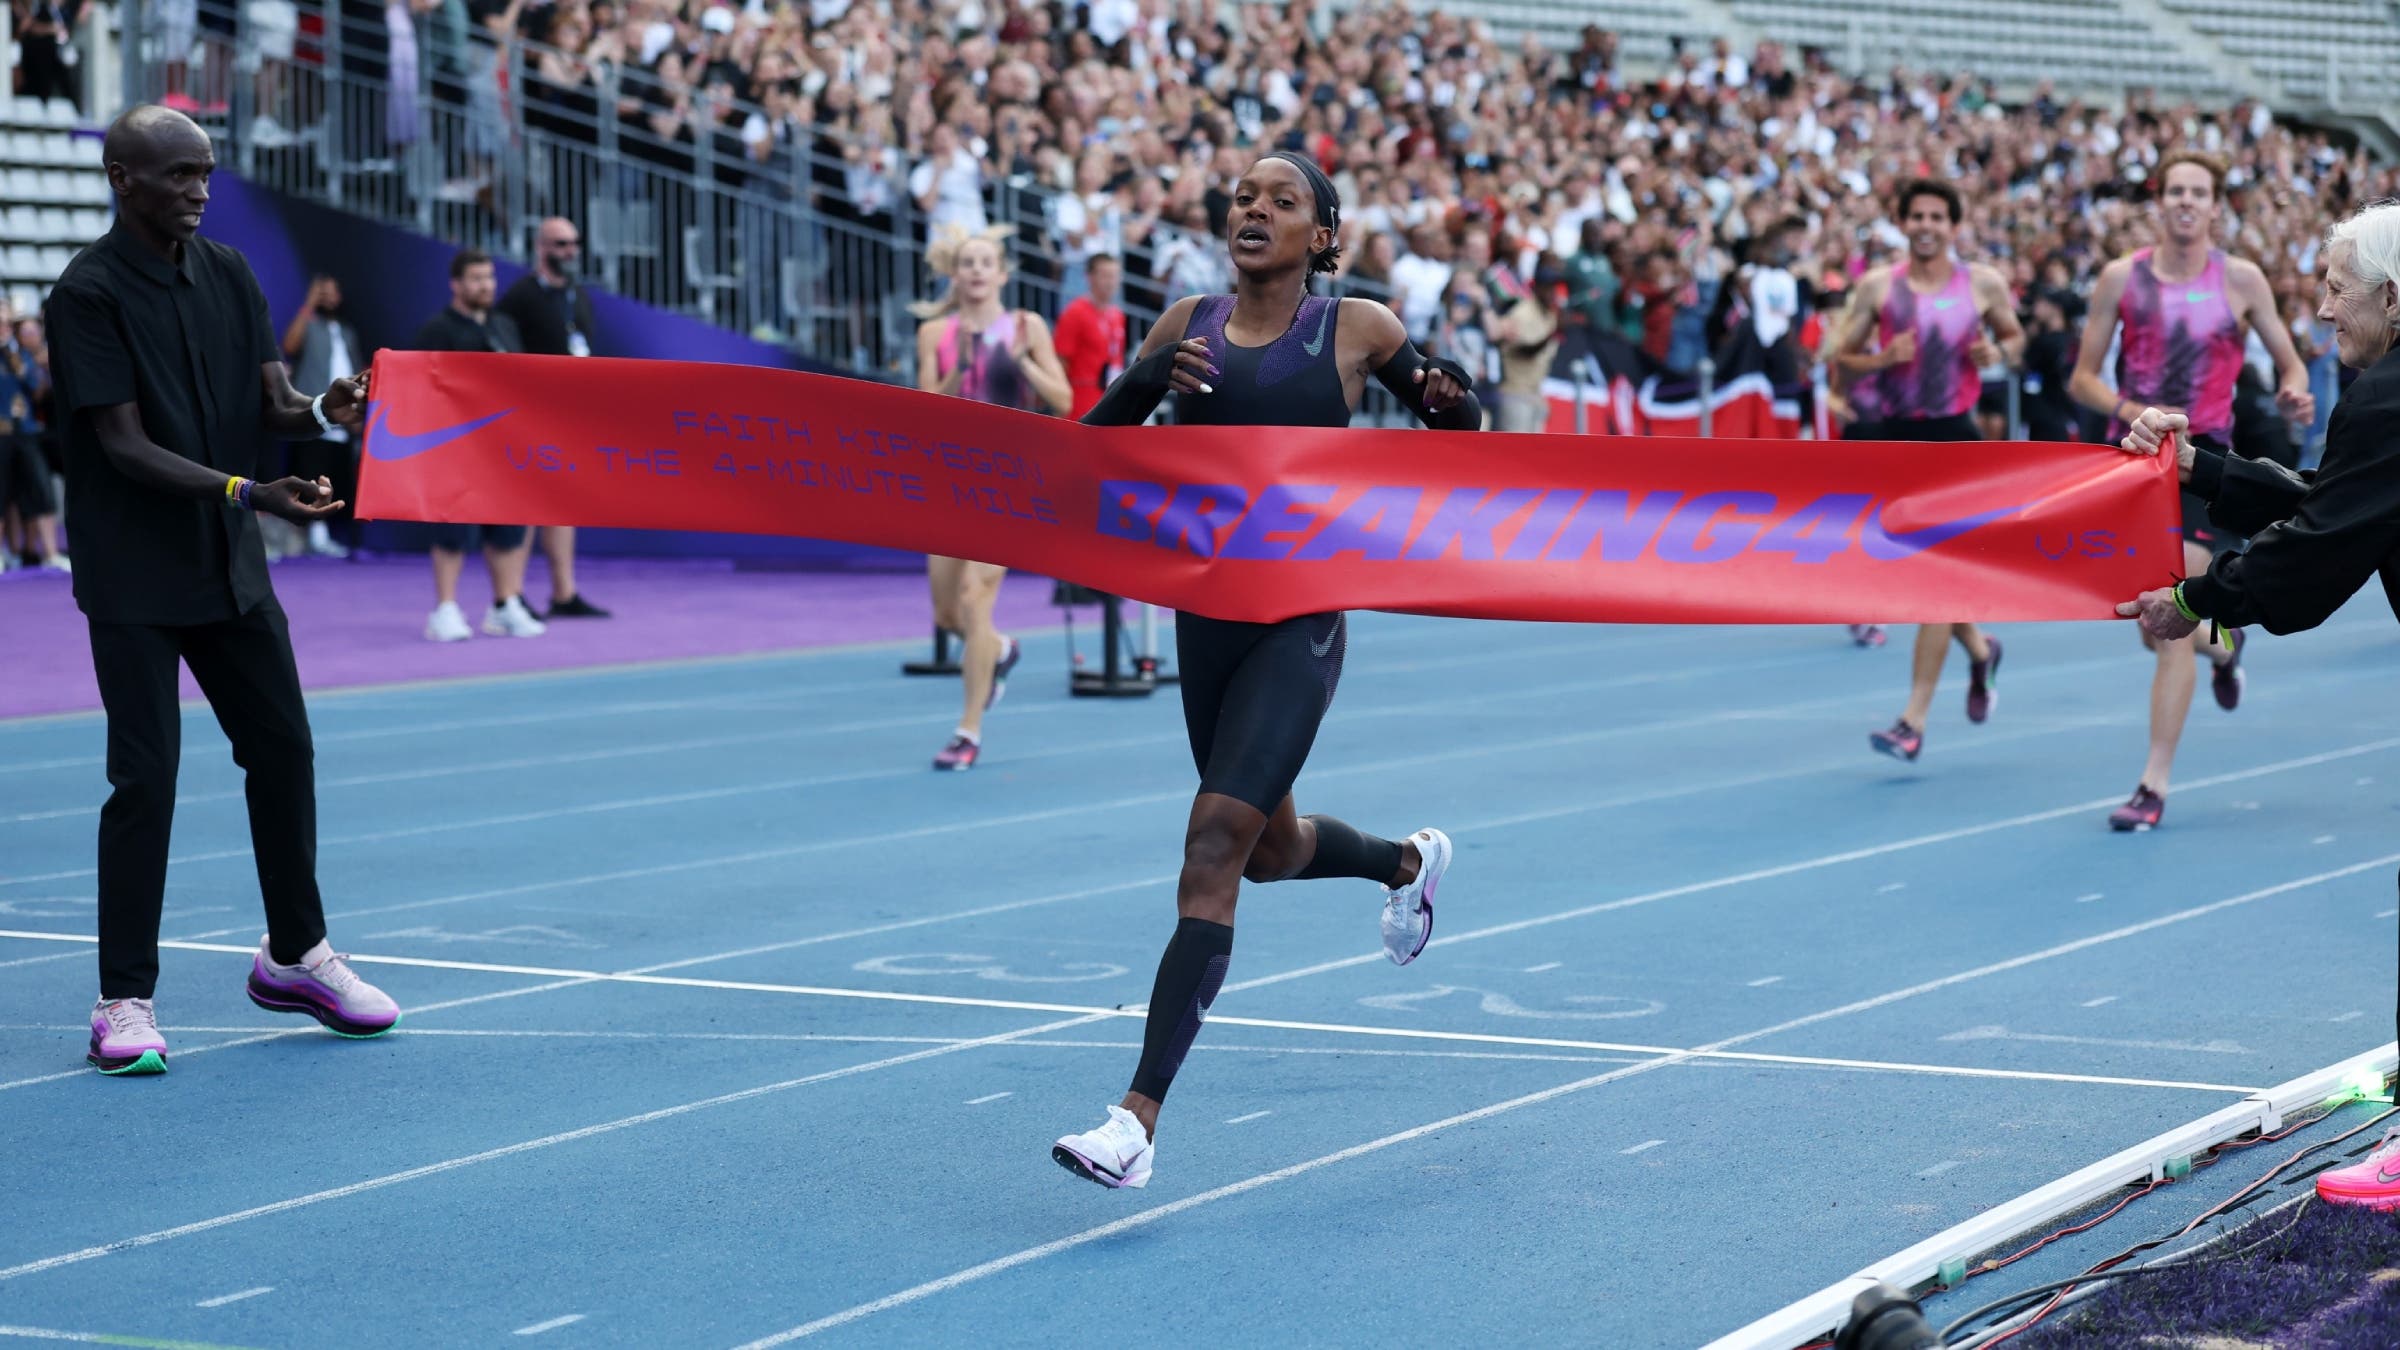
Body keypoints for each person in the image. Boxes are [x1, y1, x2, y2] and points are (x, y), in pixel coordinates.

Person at [1051, 151, 1481, 1190]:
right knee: (1270, 850)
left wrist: (1445, 397)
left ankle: (1135, 1121)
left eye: (1281, 201)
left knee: (1212, 842)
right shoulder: (1183, 327)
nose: (1254, 209)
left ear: (1319, 236)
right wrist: (1146, 385)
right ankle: (1406, 866)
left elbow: (1457, 427)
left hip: (1301, 622)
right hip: (1208, 619)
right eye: (1243, 195)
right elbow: (1079, 455)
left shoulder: (1356, 329)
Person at [45, 105, 402, 1075]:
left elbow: (271, 403)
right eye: (178, 175)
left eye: (205, 173)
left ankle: (295, 956)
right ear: (124, 180)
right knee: (145, 777)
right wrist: (254, 491)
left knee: (283, 746)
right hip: (133, 574)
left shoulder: (234, 275)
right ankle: (123, 1000)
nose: (199, 189)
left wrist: (329, 409)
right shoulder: (85, 294)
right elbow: (121, 446)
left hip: (229, 567)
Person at [2114, 199, 2400, 1209]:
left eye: (2332, 287)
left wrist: (2195, 598)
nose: (2320, 310)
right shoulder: (2387, 394)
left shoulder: (2388, 395)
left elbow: (2318, 557)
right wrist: (2196, 466)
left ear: (2389, 297)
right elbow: (2331, 504)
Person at [2070, 152, 2314, 831]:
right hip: (2138, 463)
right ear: (2160, 202)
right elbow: (2083, 379)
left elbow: (2289, 357)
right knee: (2154, 626)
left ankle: (2152, 784)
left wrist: (2294, 388)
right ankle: (2226, 643)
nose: (2185, 201)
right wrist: (2130, 415)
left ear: (2214, 207)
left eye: (2198, 192)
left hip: (2208, 470)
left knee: (2168, 624)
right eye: (2174, 189)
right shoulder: (2122, 277)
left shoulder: (2241, 279)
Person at [1830, 179, 2024, 763]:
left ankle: (1912, 720)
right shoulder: (1877, 287)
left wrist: (1998, 353)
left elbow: (2014, 339)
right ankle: (1980, 646)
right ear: (1902, 221)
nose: (1927, 225)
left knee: (1935, 580)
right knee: (1908, 575)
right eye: (1916, 215)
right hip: (1893, 440)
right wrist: (1879, 359)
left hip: (1954, 439)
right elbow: (1837, 358)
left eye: (1938, 216)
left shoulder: (1981, 283)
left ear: (1953, 225)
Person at [910, 224, 1071, 770]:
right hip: (948, 481)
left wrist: (1019, 358)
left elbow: (1063, 397)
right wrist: (961, 365)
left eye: (986, 263)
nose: (976, 272)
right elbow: (925, 405)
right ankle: (1000, 650)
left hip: (1007, 480)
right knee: (949, 613)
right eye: (967, 264)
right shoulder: (935, 334)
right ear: (955, 276)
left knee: (977, 600)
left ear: (1001, 274)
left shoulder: (1028, 325)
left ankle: (967, 730)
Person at [410, 249, 548, 643]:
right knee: (452, 531)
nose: (485, 285)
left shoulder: (505, 325)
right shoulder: (437, 331)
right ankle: (445, 609)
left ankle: (504, 605)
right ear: (456, 285)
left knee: (507, 531)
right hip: (455, 447)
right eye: (475, 279)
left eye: (489, 277)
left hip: (503, 449)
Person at [496, 217, 610, 619]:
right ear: (541, 247)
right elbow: (504, 353)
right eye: (561, 244)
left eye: (574, 243)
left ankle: (564, 593)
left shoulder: (577, 294)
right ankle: (513, 593)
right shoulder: (520, 297)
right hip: (531, 415)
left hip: (571, 414)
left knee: (562, 505)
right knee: (527, 505)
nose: (570, 251)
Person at [279, 274, 367, 558]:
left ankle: (339, 537)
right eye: (322, 292)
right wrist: (308, 304)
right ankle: (314, 535)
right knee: (311, 475)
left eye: (332, 292)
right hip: (314, 410)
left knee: (339, 478)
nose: (328, 297)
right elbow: (290, 346)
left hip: (345, 418)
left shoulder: (347, 331)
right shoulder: (309, 324)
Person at [1051, 253, 1127, 420]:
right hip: (1080, 401)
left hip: (1109, 399)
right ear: (1090, 277)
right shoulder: (1074, 313)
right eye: (1105, 276)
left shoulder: (1117, 315)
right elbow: (1060, 361)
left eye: (1114, 276)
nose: (1110, 282)